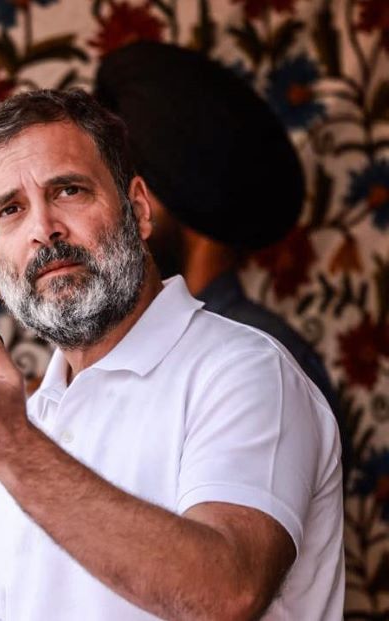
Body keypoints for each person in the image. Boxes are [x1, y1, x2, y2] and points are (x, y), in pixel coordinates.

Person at [0, 89, 343, 620]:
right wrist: (11, 449)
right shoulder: (15, 431)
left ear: (137, 209)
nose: (43, 229)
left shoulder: (246, 371)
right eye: (10, 210)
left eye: (68, 190)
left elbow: (228, 596)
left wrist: (15, 452)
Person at [94, 41, 351, 482]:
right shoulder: (138, 350)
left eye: (134, 196)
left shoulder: (258, 357)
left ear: (181, 199)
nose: (118, 217)